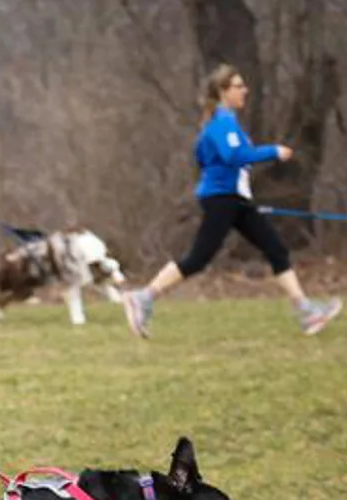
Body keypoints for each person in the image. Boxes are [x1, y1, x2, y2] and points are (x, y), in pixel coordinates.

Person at [123, 64, 340, 338]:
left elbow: (209, 155)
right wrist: (273, 151)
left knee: (276, 249)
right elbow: (234, 157)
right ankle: (144, 297)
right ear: (224, 92)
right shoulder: (222, 122)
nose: (244, 90)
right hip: (222, 200)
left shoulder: (223, 123)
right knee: (199, 258)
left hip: (234, 200)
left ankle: (306, 311)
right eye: (238, 86)